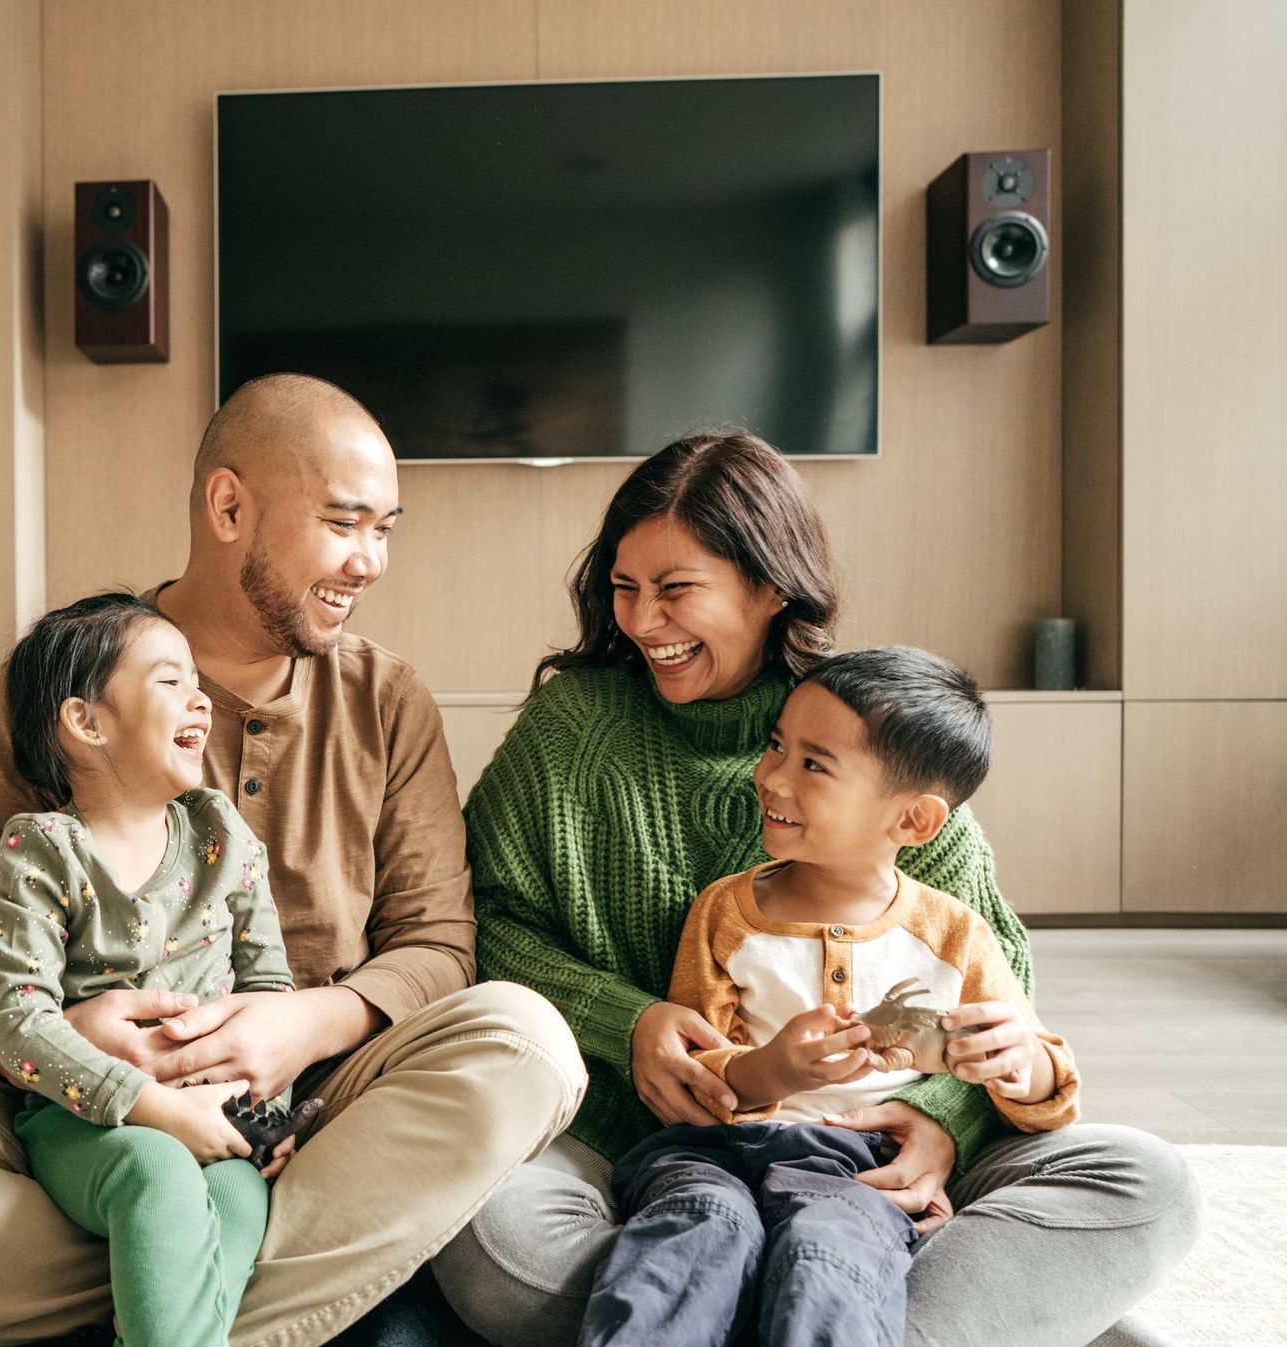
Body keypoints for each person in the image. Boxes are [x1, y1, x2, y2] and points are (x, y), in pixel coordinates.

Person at [0, 374, 585, 1347]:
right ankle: (241, 1279)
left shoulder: (389, 700)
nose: (372, 561)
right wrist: (70, 1041)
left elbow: (440, 947)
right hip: (81, 1112)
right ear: (229, 507)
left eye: (386, 529)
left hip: (307, 1118)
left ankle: (155, 1290)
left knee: (526, 1043)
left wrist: (297, 1026)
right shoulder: (61, 686)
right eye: (345, 524)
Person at [431, 430, 1199, 1347]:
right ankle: (860, 1313)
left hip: (862, 1161)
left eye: (676, 590)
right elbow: (480, 924)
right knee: (485, 1220)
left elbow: (990, 981)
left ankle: (725, 1307)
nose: (641, 621)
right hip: (639, 1148)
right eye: (623, 589)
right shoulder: (574, 726)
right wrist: (622, 1020)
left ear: (770, 586)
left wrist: (936, 1118)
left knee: (1149, 1181)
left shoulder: (875, 730)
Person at [582, 646, 1080, 1347]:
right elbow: (700, 1075)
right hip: (711, 1154)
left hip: (859, 1170)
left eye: (813, 764)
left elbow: (1050, 1089)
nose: (771, 777)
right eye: (777, 746)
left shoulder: (955, 934)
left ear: (913, 822)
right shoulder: (725, 912)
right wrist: (773, 1071)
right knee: (689, 1235)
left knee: (830, 1257)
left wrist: (1020, 1058)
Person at [0, 592, 311, 1347]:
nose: (200, 697)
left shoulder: (220, 833)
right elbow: (15, 1019)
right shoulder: (40, 849)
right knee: (158, 1176)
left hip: (219, 1109)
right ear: (87, 721)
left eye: (197, 680)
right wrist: (153, 1109)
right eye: (170, 680)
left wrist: (264, 1106)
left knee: (234, 1201)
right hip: (85, 1122)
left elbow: (270, 990)